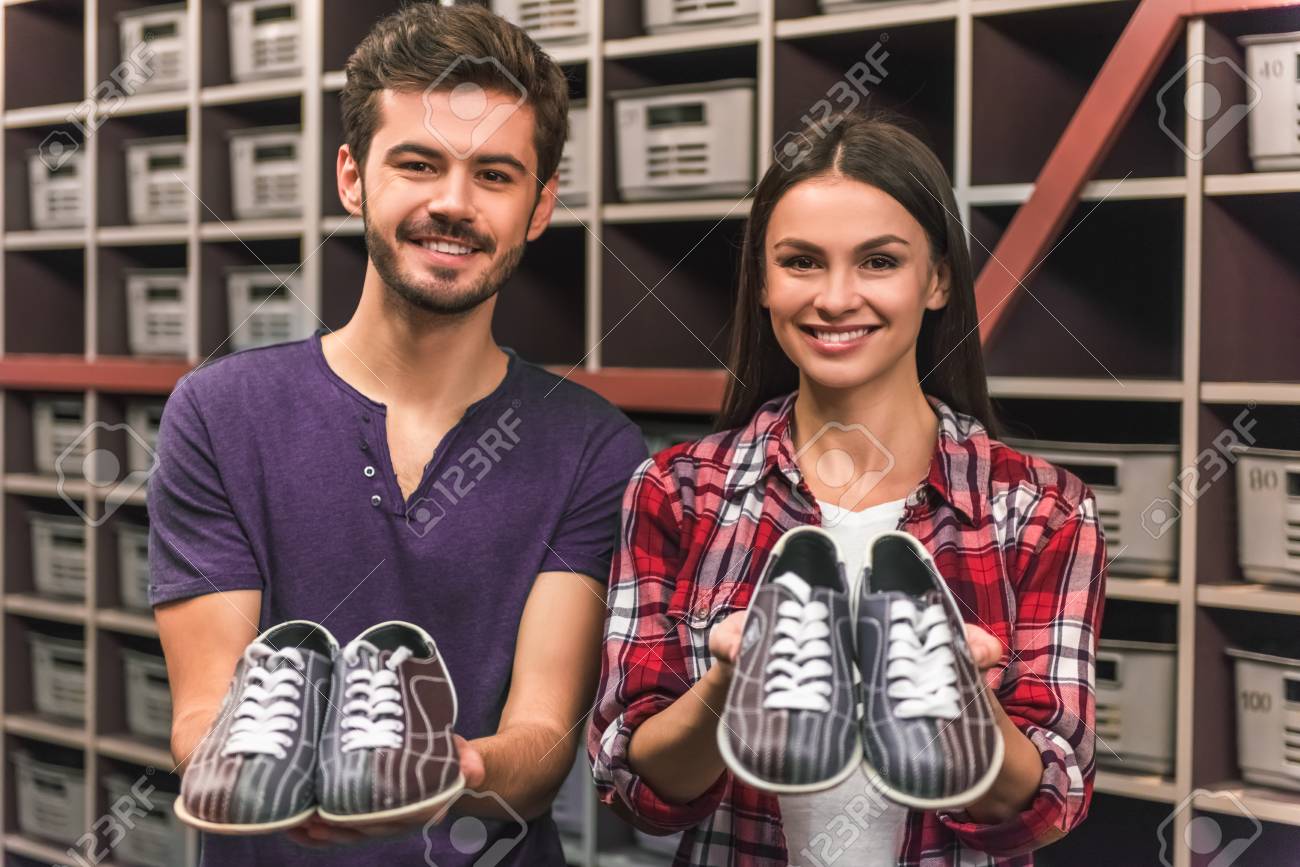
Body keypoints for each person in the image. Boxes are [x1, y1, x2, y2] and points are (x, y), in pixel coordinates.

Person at [150, 5, 647, 865]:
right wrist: (258, 764)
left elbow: (541, 741)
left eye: (495, 175)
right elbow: (201, 716)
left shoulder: (594, 447)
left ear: (540, 204)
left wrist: (454, 770)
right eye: (419, 164)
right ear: (353, 177)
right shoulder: (218, 412)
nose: (452, 204)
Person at [589, 112, 1106, 866]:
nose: (835, 298)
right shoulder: (677, 492)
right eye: (800, 261)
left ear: (936, 280)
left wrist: (962, 703)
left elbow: (1051, 801)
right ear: (762, 283)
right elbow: (636, 785)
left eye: (878, 262)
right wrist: (735, 684)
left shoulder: (1042, 510)